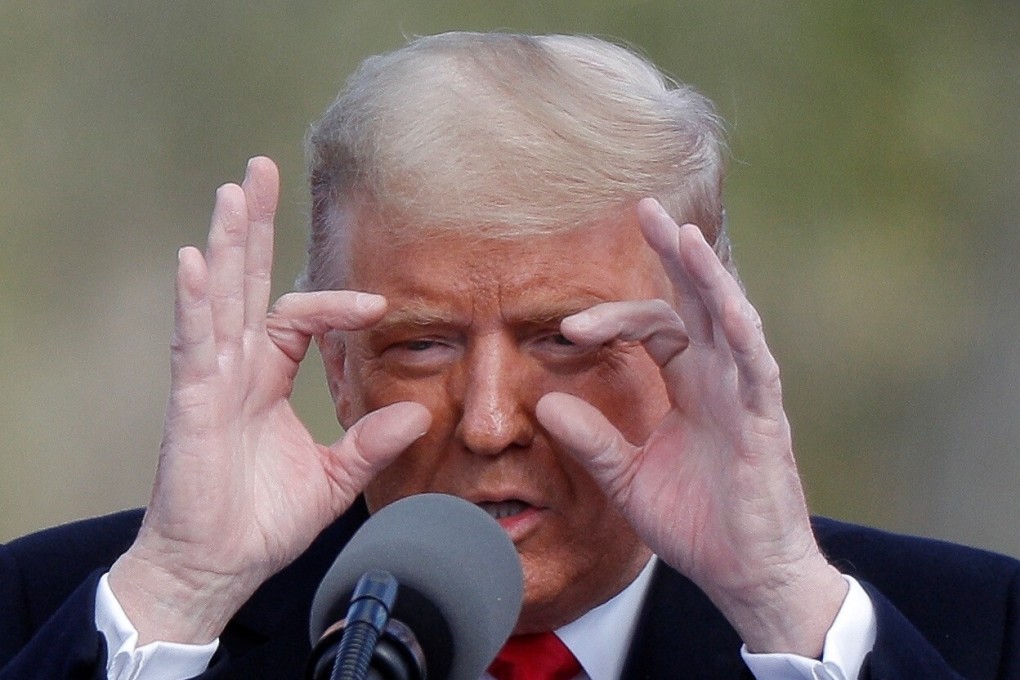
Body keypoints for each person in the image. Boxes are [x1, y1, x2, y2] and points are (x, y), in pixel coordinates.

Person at [1, 31, 1018, 680]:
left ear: (698, 353)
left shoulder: (972, 631)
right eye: (423, 342)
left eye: (568, 340)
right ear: (337, 370)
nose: (489, 419)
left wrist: (783, 607)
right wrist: (184, 587)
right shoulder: (69, 617)